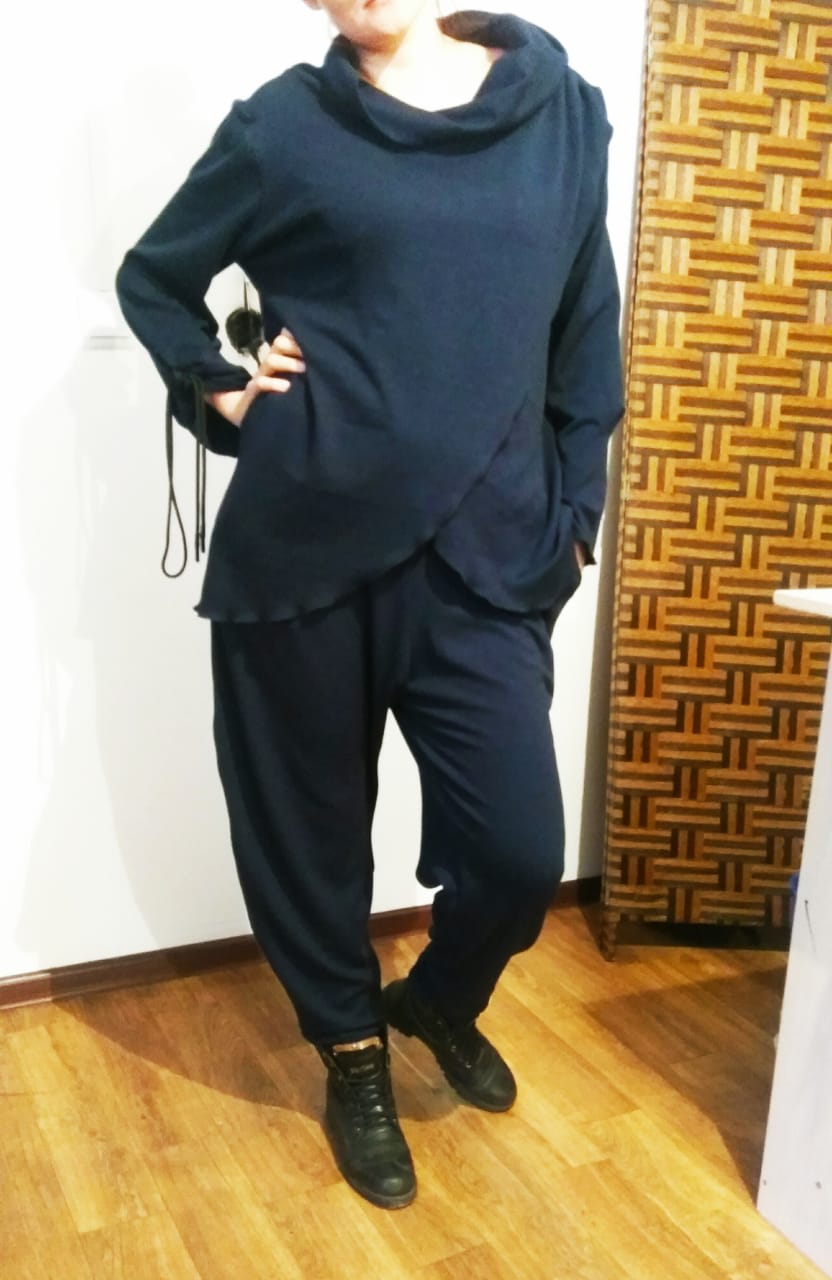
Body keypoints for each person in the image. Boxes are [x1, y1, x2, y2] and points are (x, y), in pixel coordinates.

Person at [115, 0, 624, 1211]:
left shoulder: (562, 113)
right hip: (304, 539)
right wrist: (223, 388)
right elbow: (155, 278)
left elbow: (583, 331)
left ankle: (436, 999)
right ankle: (352, 1055)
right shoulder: (284, 128)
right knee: (307, 835)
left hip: (489, 551)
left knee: (518, 849)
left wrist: (574, 514)